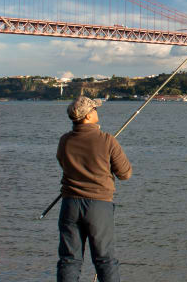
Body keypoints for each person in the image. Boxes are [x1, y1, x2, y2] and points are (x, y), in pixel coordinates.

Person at [56, 96, 132, 282]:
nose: (97, 111)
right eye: (94, 109)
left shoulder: (65, 140)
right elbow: (125, 174)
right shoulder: (107, 140)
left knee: (69, 259)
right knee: (105, 259)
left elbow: (63, 163)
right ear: (88, 116)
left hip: (70, 204)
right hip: (98, 206)